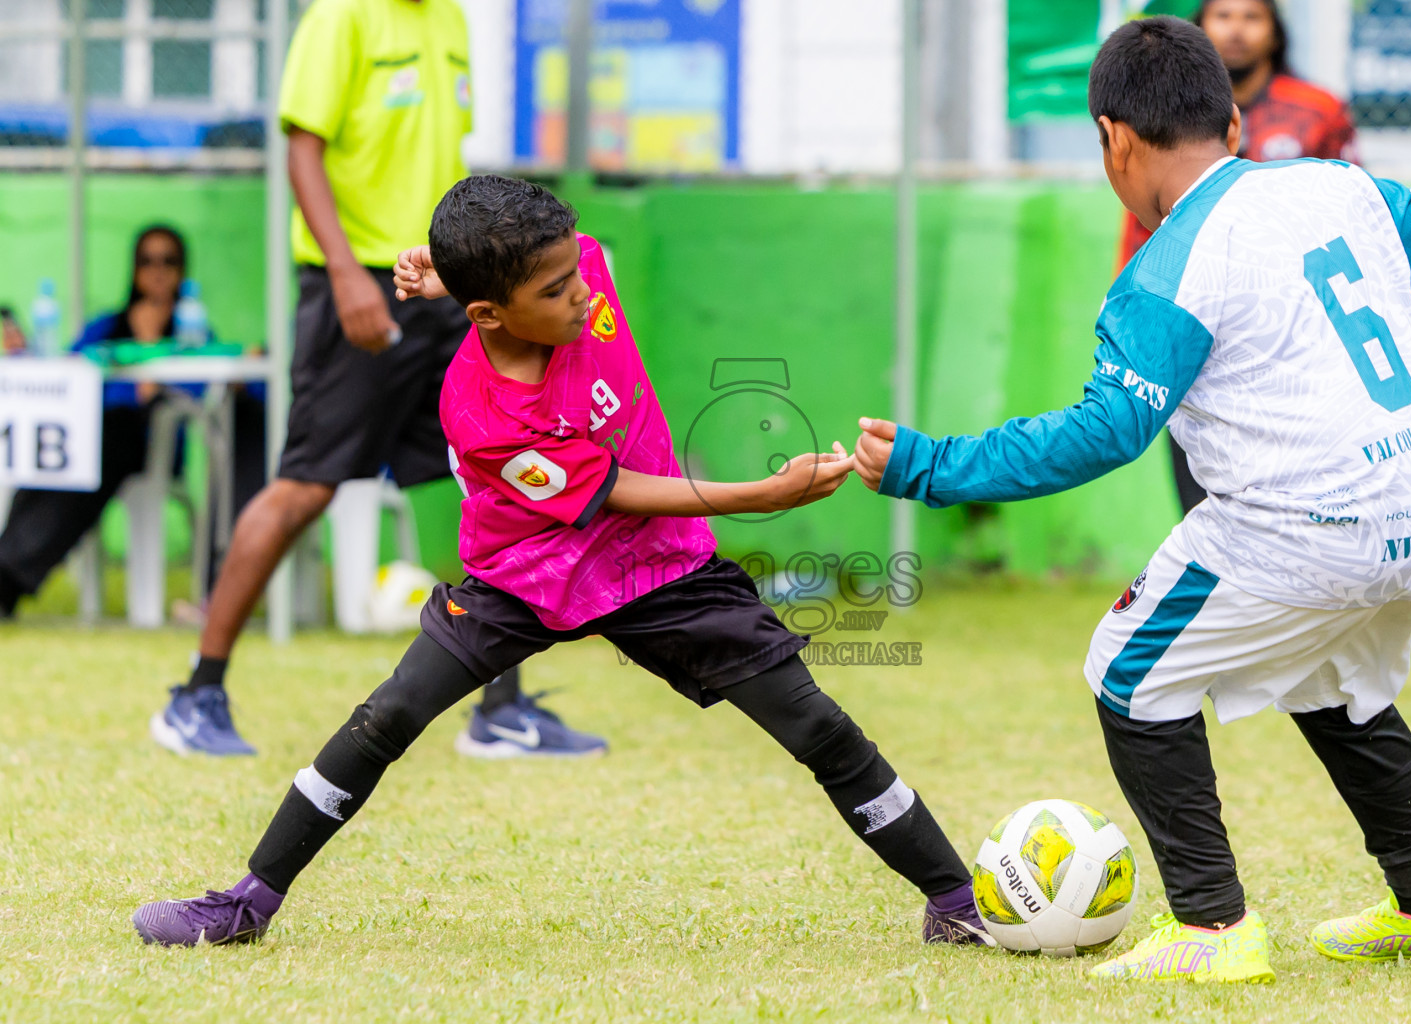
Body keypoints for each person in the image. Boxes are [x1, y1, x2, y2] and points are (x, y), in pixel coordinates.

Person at [129, 176, 990, 950]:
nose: (582, 293)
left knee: (817, 725)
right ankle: (245, 903)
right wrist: (760, 496)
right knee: (389, 714)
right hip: (525, 572)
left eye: (576, 272)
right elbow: (611, 490)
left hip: (658, 566)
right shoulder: (479, 409)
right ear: (489, 316)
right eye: (554, 289)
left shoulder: (577, 272)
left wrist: (447, 266)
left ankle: (955, 902)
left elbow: (560, 267)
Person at [853, 17, 1411, 982]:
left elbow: (1104, 433)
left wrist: (931, 465)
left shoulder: (1162, 272)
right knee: (1333, 678)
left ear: (1113, 138)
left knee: (1126, 671)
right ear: (1236, 123)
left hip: (1310, 520)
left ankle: (1214, 927)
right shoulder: (1345, 187)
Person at [157, 0, 604, 759]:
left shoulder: (452, 23)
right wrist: (344, 275)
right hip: (356, 289)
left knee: (495, 478)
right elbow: (303, 151)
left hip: (439, 281)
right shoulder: (340, 18)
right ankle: (198, 692)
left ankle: (501, 708)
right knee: (307, 484)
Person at [1121, 0, 1361, 515]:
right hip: (1197, 329)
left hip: (1295, 332)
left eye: (1251, 17)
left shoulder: (1318, 111)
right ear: (1199, 29)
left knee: (1300, 501)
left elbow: (1351, 211)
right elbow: (1142, 223)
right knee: (1203, 504)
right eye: (1222, 16)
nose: (1236, 30)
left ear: (1275, 33)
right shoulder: (1163, 114)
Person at [0, 226, 266, 619]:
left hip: (146, 449)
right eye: (147, 261)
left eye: (168, 261)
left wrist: (151, 363)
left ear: (182, 271)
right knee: (61, 454)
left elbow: (207, 395)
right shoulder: (107, 327)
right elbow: (70, 381)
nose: (157, 271)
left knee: (105, 444)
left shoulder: (193, 334)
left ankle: (8, 579)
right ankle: (8, 573)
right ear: (135, 269)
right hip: (93, 441)